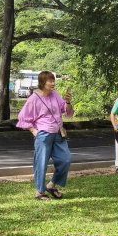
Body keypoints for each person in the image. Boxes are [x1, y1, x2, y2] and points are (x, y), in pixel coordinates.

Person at [16, 70, 73, 199]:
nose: (53, 83)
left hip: (58, 134)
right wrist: (34, 131)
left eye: (53, 81)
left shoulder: (55, 94)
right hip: (43, 135)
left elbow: (66, 110)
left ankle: (51, 185)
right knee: (41, 163)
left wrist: (68, 102)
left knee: (66, 159)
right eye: (50, 81)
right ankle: (39, 192)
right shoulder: (34, 98)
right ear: (42, 82)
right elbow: (23, 117)